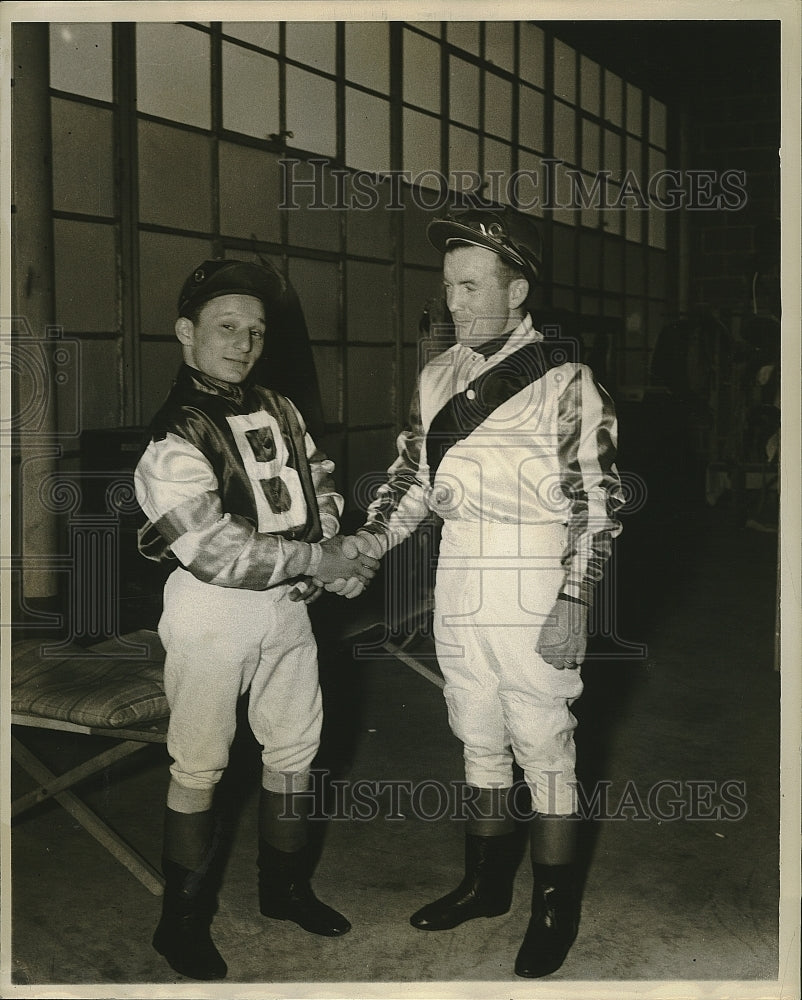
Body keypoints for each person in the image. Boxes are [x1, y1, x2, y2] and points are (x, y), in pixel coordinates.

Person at [329, 207, 624, 978]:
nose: (452, 304)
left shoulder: (564, 378)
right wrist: (369, 542)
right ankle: (486, 886)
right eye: (448, 287)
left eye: (469, 286)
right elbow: (412, 483)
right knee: (478, 735)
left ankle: (554, 909)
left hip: (534, 581)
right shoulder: (437, 377)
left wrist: (576, 598)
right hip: (457, 574)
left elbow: (598, 501)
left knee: (546, 746)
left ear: (517, 289)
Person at [133, 258, 379, 981]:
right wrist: (320, 561)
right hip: (214, 611)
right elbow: (214, 549)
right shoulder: (172, 435)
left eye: (255, 331)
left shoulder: (280, 406)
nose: (242, 343)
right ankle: (179, 924)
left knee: (297, 750)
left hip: (288, 605)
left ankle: (286, 890)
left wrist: (327, 550)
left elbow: (318, 482)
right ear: (186, 333)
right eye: (225, 328)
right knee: (201, 761)